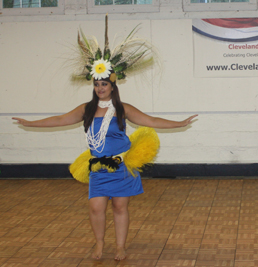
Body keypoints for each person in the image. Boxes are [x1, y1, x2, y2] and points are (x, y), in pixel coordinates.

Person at [12, 16, 198, 261]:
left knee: (120, 207)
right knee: (96, 207)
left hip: (121, 168)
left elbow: (151, 121)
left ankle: (120, 246)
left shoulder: (123, 108)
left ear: (112, 85)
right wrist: (30, 123)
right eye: (97, 84)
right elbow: (59, 120)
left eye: (104, 84)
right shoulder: (86, 109)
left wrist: (179, 123)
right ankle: (99, 244)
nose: (100, 88)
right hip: (98, 168)